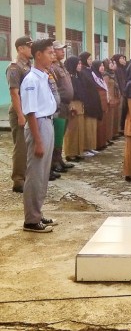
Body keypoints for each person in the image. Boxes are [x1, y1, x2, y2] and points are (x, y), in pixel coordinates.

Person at [20, 38, 58, 233]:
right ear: (38, 55)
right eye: (50, 53)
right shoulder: (31, 80)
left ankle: (37, 212)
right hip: (39, 125)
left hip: (47, 123)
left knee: (43, 174)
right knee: (35, 173)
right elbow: (31, 112)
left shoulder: (43, 76)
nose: (53, 56)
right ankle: (31, 220)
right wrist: (38, 140)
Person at [6, 36, 33, 193]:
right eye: (29, 46)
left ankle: (26, 175)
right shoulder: (15, 68)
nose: (31, 49)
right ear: (20, 48)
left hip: (28, 110)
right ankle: (18, 180)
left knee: (28, 145)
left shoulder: (28, 66)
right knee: (21, 146)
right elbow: (14, 93)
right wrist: (21, 115)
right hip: (20, 111)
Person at [50, 41, 74, 173]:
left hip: (66, 104)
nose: (62, 51)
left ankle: (59, 159)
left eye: (63, 49)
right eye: (59, 49)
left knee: (61, 133)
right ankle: (54, 162)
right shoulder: (52, 68)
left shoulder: (61, 66)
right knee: (57, 134)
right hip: (59, 105)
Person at [78, 52, 102, 157]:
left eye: (91, 59)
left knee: (92, 126)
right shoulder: (83, 72)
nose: (90, 61)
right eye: (88, 59)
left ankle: (91, 146)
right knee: (87, 127)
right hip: (88, 102)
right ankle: (85, 147)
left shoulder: (90, 71)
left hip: (93, 101)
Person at [63, 56, 86, 161]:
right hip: (72, 103)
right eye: (78, 64)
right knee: (71, 130)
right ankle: (70, 153)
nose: (80, 66)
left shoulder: (78, 76)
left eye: (81, 64)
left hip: (80, 104)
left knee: (79, 129)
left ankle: (77, 151)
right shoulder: (69, 77)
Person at [91, 60, 110, 150]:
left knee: (104, 123)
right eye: (100, 66)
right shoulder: (93, 76)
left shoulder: (100, 77)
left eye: (103, 65)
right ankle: (98, 144)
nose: (102, 67)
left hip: (104, 102)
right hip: (99, 102)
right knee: (99, 124)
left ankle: (102, 142)